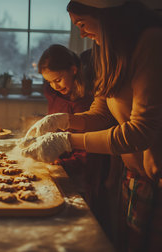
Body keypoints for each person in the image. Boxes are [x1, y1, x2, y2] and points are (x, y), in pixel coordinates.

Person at [19, 0, 162, 251]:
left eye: (82, 23)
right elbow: (101, 115)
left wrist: (67, 140)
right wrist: (64, 121)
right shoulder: (109, 52)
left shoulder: (154, 44)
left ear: (107, 15)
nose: (82, 32)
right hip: (134, 178)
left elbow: (141, 133)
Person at [38, 44, 110, 215]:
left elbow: (88, 147)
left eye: (58, 79)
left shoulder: (86, 102)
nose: (55, 86)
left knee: (78, 211)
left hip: (83, 171)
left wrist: (62, 164)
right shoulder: (55, 94)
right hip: (61, 164)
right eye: (50, 82)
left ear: (73, 70)